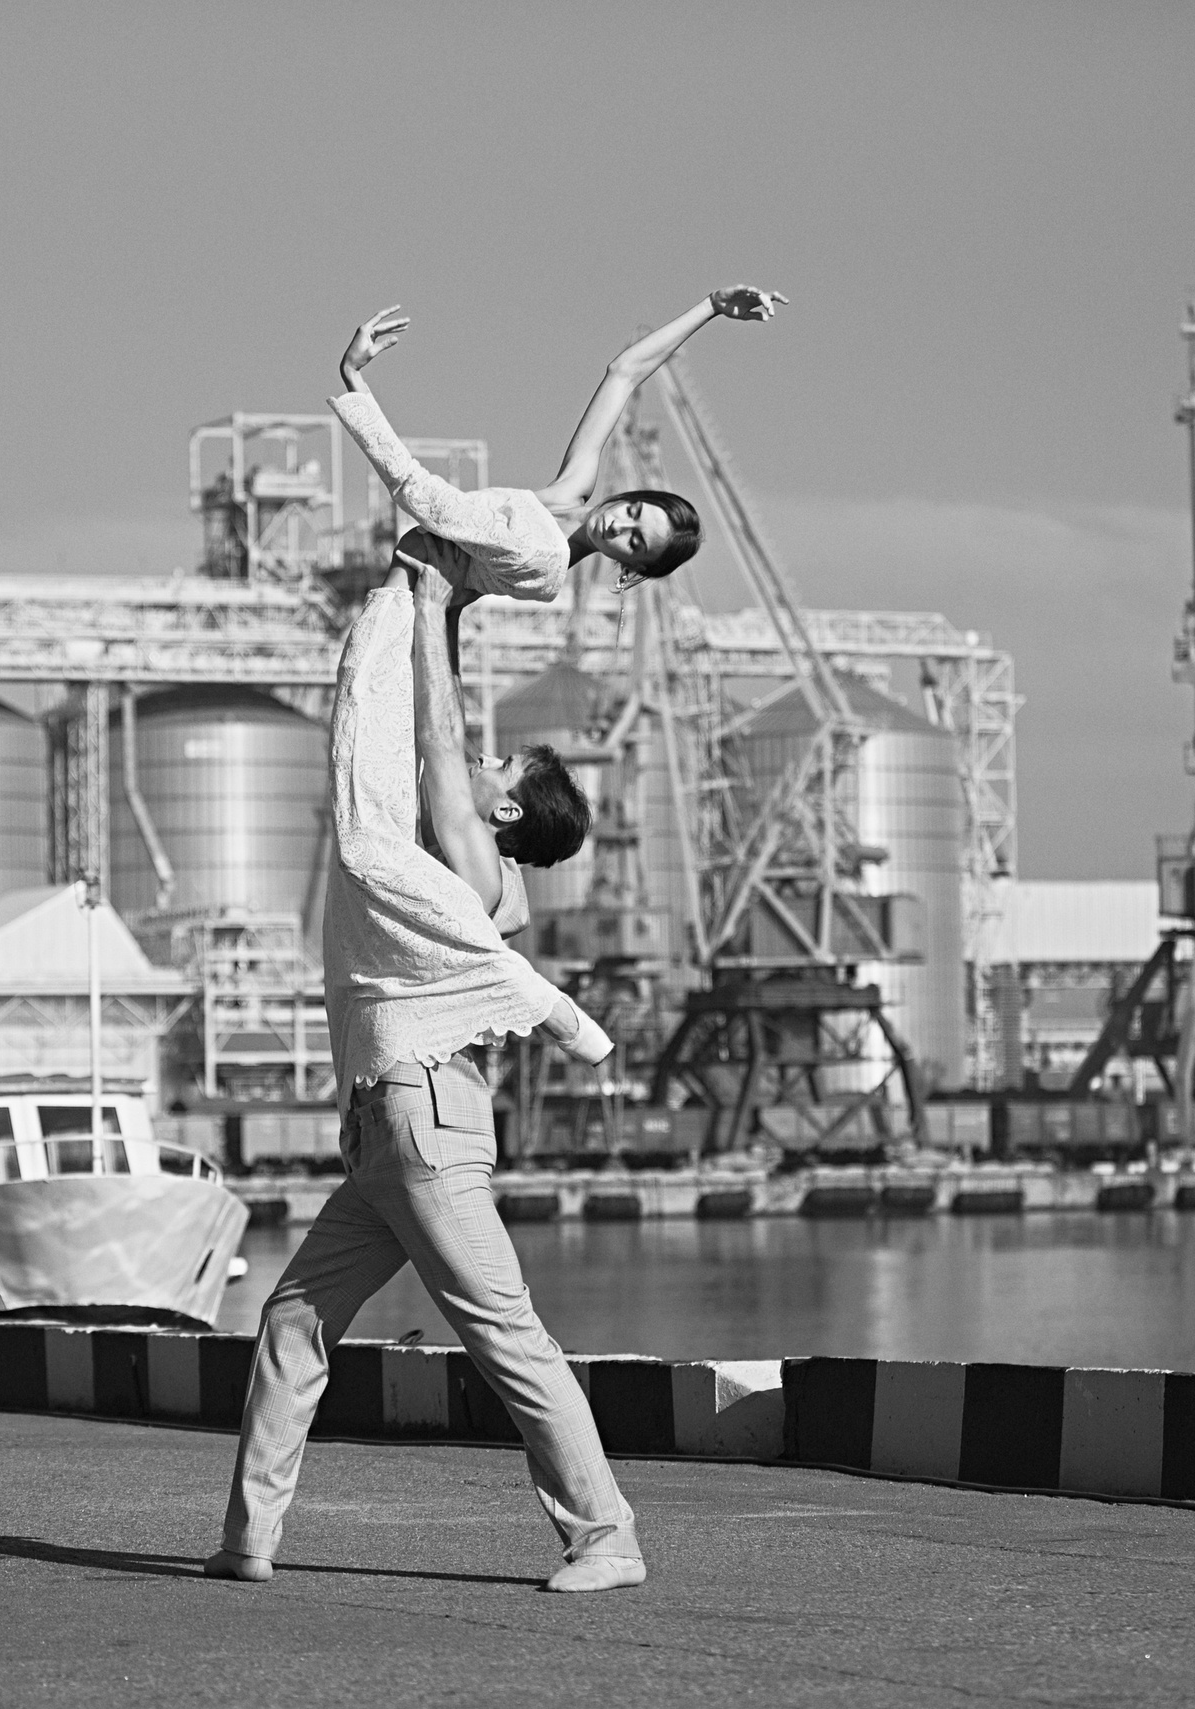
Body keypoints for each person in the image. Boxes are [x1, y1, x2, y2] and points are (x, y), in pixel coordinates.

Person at [205, 550, 644, 1595]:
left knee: (506, 1336)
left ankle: (605, 1534)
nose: (479, 760)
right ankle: (248, 1537)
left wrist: (439, 601)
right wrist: (437, 612)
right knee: (291, 1319)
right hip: (385, 1127)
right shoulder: (464, 868)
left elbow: (436, 738)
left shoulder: (472, 860)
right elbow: (438, 734)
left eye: (500, 767)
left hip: (425, 1119)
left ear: (498, 813)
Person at [330, 286, 787, 603]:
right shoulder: (572, 489)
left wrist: (353, 378)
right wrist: (711, 305)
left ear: (633, 570)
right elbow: (623, 374)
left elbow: (423, 497)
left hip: (400, 631)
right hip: (395, 609)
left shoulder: (543, 561)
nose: (617, 528)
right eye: (632, 513)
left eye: (634, 543)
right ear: (628, 497)